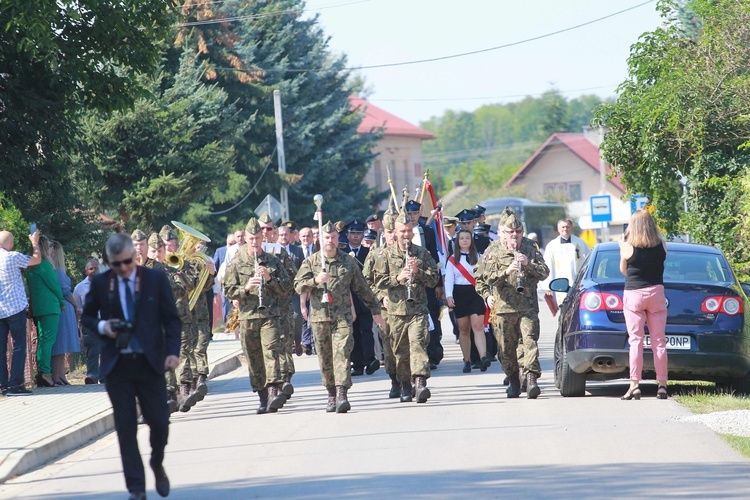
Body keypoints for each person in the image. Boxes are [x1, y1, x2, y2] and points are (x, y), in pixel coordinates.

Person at [81, 232, 181, 499]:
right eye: (117, 264)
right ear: (109, 262)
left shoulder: (155, 279)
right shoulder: (102, 283)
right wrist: (104, 326)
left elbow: (172, 319)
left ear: (135, 257)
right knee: (126, 429)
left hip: (150, 364)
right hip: (118, 367)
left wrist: (173, 352)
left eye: (127, 262)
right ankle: (136, 488)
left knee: (159, 422)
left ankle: (157, 464)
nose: (123, 268)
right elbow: (88, 318)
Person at [294, 221, 385, 412]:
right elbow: (297, 285)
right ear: (321, 239)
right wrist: (315, 280)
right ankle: (331, 394)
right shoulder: (311, 262)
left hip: (342, 318)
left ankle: (342, 392)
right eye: (327, 237)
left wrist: (376, 310)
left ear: (338, 239)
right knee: (326, 359)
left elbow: (363, 289)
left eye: (333, 237)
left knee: (342, 353)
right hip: (319, 318)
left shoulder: (348, 261)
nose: (330, 241)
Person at [223, 217, 294, 414]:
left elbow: (288, 288)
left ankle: (273, 393)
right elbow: (228, 290)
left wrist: (269, 279)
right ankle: (263, 397)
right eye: (251, 238)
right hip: (247, 316)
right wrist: (245, 288)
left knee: (270, 352)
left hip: (270, 316)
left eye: (257, 238)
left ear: (263, 237)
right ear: (245, 238)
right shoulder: (237, 262)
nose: (254, 242)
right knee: (253, 359)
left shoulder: (272, 261)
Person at [475, 213, 549, 399]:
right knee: (506, 350)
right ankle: (514, 380)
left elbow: (544, 273)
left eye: (518, 231)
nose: (514, 235)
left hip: (527, 306)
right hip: (503, 309)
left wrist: (528, 264)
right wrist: (504, 274)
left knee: (530, 341)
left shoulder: (530, 247)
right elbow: (482, 278)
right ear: (503, 233)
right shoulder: (492, 250)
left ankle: (531, 379)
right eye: (510, 232)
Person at [373, 212, 440, 403]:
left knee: (418, 344)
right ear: (395, 232)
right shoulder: (385, 255)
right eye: (402, 231)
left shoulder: (422, 253)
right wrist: (397, 278)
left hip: (417, 310)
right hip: (395, 313)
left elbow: (434, 279)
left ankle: (420, 382)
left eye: (409, 231)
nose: (405, 234)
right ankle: (404, 384)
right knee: (400, 353)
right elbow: (377, 282)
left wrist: (418, 272)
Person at [618, 209, 668, 400]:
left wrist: (622, 244)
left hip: (634, 294)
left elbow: (624, 270)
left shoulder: (628, 247)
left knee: (636, 341)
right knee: (659, 341)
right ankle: (662, 385)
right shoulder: (661, 245)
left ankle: (634, 385)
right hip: (656, 293)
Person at [0, 229, 40, 396]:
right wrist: (35, 243)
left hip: (0, 310)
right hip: (15, 308)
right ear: (10, 244)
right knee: (19, 346)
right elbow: (36, 260)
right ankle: (16, 384)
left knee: (1, 349)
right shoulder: (12, 256)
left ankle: (3, 384)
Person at [445, 229, 491, 374]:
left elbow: (484, 277)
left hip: (475, 293)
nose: (464, 240)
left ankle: (483, 357)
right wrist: (449, 295)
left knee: (478, 327)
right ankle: (467, 360)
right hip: (459, 294)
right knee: (464, 329)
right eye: (462, 238)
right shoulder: (452, 260)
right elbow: (449, 279)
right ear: (457, 242)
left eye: (467, 238)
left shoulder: (478, 257)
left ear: (471, 241)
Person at [26, 235, 66, 388]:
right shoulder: (45, 265)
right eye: (49, 247)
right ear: (44, 248)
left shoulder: (30, 266)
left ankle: (41, 372)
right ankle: (46, 373)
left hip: (38, 307)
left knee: (42, 340)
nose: (51, 250)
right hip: (50, 306)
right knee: (48, 341)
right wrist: (62, 302)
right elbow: (54, 285)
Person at [346, 218, 379, 377]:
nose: (356, 236)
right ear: (348, 235)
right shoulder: (343, 254)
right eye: (353, 233)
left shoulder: (368, 253)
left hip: (364, 298)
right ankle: (357, 364)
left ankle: (370, 360)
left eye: (359, 233)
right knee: (353, 332)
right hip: (349, 299)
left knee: (367, 330)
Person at [50, 241, 81, 385]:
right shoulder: (57, 271)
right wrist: (76, 305)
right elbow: (65, 291)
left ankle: (61, 374)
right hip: (64, 308)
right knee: (61, 343)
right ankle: (57, 375)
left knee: (62, 344)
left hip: (63, 308)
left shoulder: (56, 270)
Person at [542, 219, 590, 305]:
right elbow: (547, 265)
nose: (565, 229)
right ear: (558, 229)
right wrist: (547, 285)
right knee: (564, 308)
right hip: (560, 283)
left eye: (567, 227)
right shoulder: (552, 246)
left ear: (571, 228)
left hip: (577, 283)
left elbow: (588, 261)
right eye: (563, 227)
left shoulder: (580, 243)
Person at [74, 258, 103, 384]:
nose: (93, 271)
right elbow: (76, 307)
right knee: (93, 349)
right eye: (91, 268)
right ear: (86, 271)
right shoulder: (79, 288)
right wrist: (76, 326)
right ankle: (92, 376)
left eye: (95, 268)